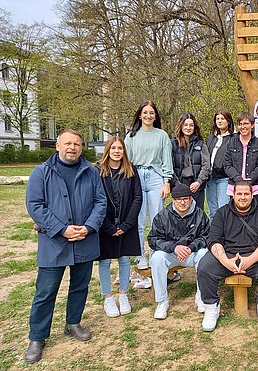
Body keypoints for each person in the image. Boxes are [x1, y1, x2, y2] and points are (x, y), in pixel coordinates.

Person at [24, 130, 106, 364]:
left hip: (85, 240)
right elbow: (35, 205)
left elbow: (101, 202)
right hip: (54, 242)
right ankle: (37, 337)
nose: (72, 147)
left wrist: (89, 227)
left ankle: (73, 323)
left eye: (77, 144)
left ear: (82, 147)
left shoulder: (91, 172)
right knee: (45, 292)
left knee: (80, 286)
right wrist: (61, 229)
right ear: (57, 145)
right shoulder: (41, 172)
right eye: (68, 143)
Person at [197, 180, 258, 332]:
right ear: (233, 194)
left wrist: (249, 260)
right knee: (204, 267)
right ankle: (211, 308)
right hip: (227, 254)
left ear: (252, 195)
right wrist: (225, 261)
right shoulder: (222, 213)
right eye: (239, 194)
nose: (243, 197)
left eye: (246, 194)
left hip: (254, 256)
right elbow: (213, 240)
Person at [125, 100, 173, 272]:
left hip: (155, 177)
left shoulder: (162, 136)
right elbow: (126, 162)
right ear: (140, 115)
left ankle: (155, 253)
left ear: (155, 116)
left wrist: (167, 182)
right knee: (138, 220)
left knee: (156, 219)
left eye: (151, 113)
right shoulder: (131, 136)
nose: (148, 115)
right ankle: (140, 256)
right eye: (145, 112)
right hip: (135, 177)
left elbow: (167, 161)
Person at [96, 137, 143, 318]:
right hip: (105, 224)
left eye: (120, 148)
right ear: (108, 150)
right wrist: (106, 226)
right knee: (105, 261)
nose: (117, 151)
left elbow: (137, 197)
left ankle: (123, 295)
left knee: (124, 259)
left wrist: (127, 224)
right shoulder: (98, 171)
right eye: (113, 148)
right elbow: (95, 199)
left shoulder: (131, 170)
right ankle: (108, 297)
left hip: (126, 223)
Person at [148, 184, 210, 319]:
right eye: (178, 199)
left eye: (186, 199)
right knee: (157, 258)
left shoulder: (199, 214)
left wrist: (191, 247)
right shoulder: (162, 216)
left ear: (190, 198)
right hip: (171, 253)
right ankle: (162, 301)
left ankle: (201, 296)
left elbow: (206, 236)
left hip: (191, 253)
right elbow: (153, 239)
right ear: (173, 200)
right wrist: (174, 247)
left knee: (204, 255)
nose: (182, 202)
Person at [224, 112, 258, 203]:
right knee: (236, 214)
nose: (243, 127)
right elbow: (227, 164)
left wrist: (250, 180)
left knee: (254, 215)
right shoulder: (232, 142)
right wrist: (238, 179)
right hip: (235, 185)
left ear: (252, 125)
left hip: (254, 186)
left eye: (246, 123)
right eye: (240, 124)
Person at [171, 113, 210, 210]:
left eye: (191, 125)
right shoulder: (173, 144)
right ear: (181, 126)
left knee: (197, 214)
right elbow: (169, 166)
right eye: (185, 125)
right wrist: (177, 184)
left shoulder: (201, 144)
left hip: (196, 185)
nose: (188, 127)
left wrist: (199, 182)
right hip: (179, 183)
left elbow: (206, 165)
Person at [206, 109, 234, 219]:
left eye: (222, 118)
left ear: (228, 121)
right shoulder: (211, 139)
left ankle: (224, 235)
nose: (220, 121)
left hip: (224, 178)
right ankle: (213, 234)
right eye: (217, 119)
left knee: (223, 209)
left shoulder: (233, 139)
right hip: (211, 178)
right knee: (213, 210)